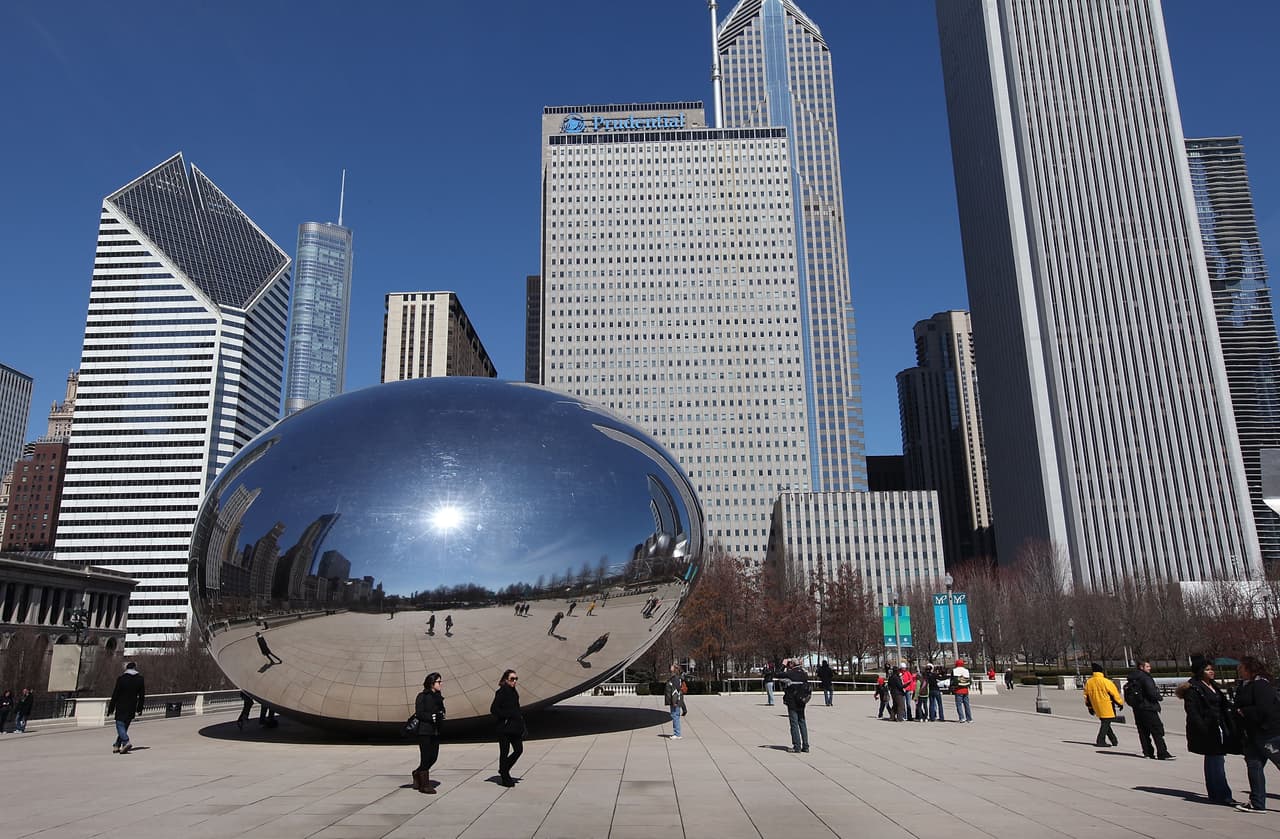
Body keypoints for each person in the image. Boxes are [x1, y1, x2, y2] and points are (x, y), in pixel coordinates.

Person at [1176, 657, 1240, 806]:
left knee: (1215, 760)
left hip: (1218, 726)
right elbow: (1193, 712)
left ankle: (1216, 793)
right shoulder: (1194, 688)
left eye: (1212, 669)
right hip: (1208, 728)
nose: (1211, 672)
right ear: (1200, 672)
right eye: (1207, 669)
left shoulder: (1213, 685)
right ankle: (1223, 794)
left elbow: (1223, 705)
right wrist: (1203, 728)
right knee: (1216, 761)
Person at [1233, 655, 1280, 813]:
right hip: (1252, 734)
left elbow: (1265, 708)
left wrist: (1244, 711)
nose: (1239, 670)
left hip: (1268, 734)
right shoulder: (1245, 685)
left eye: (1242, 668)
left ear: (1249, 669)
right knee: (1254, 766)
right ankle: (1257, 802)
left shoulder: (1261, 685)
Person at [1125, 660, 1174, 760]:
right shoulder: (1145, 678)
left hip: (1137, 709)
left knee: (1143, 732)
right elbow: (1151, 691)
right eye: (1147, 666)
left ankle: (1147, 752)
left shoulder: (1132, 678)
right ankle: (1162, 752)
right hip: (1148, 707)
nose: (1149, 668)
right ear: (1141, 667)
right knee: (1157, 730)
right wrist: (1159, 697)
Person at [411, 673, 446, 794]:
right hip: (424, 731)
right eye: (438, 682)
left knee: (433, 757)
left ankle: (417, 773)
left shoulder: (438, 696)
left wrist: (441, 715)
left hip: (435, 731)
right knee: (425, 757)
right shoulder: (422, 696)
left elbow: (442, 709)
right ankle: (424, 785)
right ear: (432, 683)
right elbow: (419, 713)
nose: (441, 684)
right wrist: (432, 717)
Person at [490, 669, 524, 786]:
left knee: (519, 750)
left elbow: (516, 708)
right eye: (512, 679)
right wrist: (508, 715)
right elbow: (494, 709)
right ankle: (505, 777)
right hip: (504, 728)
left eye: (516, 679)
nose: (514, 681)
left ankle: (504, 768)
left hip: (515, 727)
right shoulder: (501, 692)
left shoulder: (514, 692)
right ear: (506, 680)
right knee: (504, 752)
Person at [106, 661, 145, 754]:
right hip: (132, 705)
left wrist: (111, 708)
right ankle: (117, 745)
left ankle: (126, 741)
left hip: (121, 705)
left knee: (119, 724)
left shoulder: (121, 679)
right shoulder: (140, 679)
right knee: (125, 726)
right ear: (135, 668)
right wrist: (139, 708)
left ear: (126, 668)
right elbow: (142, 695)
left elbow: (115, 694)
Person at [1084, 663, 1123, 747]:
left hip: (1096, 706)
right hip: (1107, 705)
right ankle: (1100, 740)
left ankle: (1114, 740)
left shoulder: (1089, 682)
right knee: (1106, 723)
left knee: (1105, 722)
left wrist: (1090, 707)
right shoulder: (1106, 681)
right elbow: (1114, 694)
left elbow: (1086, 696)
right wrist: (1120, 703)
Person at [782, 658, 812, 752]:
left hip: (792, 701)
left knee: (794, 723)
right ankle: (806, 746)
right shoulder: (804, 674)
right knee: (802, 722)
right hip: (802, 700)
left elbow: (778, 674)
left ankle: (797, 746)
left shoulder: (790, 674)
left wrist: (783, 664)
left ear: (791, 664)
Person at [665, 663, 686, 739]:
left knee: (675, 716)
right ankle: (677, 733)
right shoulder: (675, 678)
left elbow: (676, 691)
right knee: (675, 716)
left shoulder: (675, 679)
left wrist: (675, 702)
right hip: (675, 700)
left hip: (675, 701)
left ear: (674, 669)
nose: (670, 667)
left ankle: (677, 734)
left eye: (672, 667)